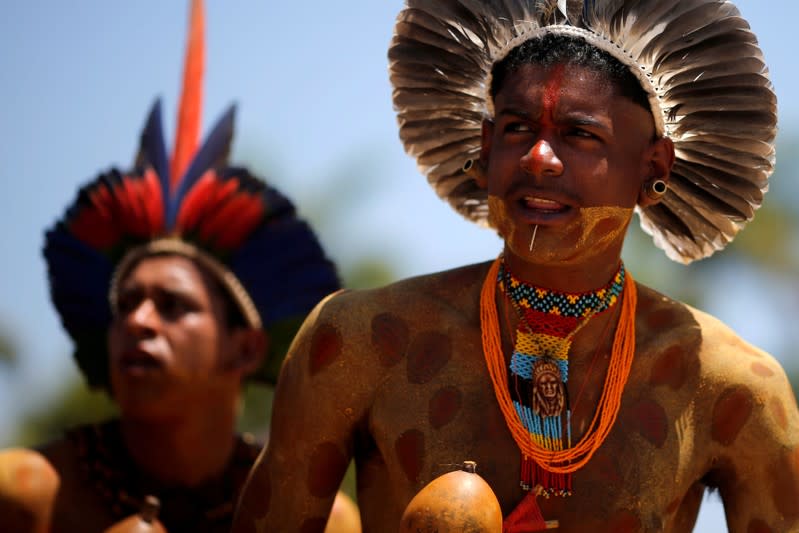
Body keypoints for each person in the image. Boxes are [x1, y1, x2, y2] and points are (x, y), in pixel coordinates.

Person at [232, 0, 799, 532]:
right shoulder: (362, 341)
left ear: (654, 165)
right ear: (484, 147)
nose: (538, 158)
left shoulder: (731, 388)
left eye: (580, 134)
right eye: (517, 129)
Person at [0, 1, 358, 532]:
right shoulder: (27, 494)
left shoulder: (315, 517)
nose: (137, 323)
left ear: (244, 347)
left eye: (173, 306)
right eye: (125, 305)